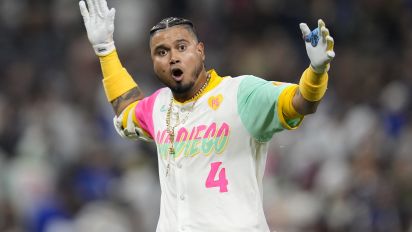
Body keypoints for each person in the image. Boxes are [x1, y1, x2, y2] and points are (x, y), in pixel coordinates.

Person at [78, 0, 335, 231]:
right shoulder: (159, 106)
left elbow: (301, 103)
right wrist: (105, 50)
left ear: (200, 50)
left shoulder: (240, 94)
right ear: (153, 62)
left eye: (181, 47)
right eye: (162, 52)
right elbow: (127, 110)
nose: (173, 58)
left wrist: (316, 71)